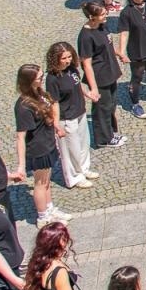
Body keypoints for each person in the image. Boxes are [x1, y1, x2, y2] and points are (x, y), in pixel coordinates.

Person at [14, 63, 68, 224]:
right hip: (38, 148)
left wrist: (56, 127)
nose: (42, 79)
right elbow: (20, 137)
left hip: (48, 142)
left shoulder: (39, 94)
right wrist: (21, 165)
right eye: (39, 78)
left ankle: (49, 208)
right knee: (40, 183)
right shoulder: (23, 106)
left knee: (46, 181)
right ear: (29, 80)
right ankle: (43, 216)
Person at [45, 43, 92, 192]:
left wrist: (87, 94)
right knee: (70, 150)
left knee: (84, 144)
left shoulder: (72, 69)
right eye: (64, 58)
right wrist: (56, 123)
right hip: (66, 117)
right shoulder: (52, 79)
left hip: (79, 111)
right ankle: (74, 176)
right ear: (55, 59)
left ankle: (84, 168)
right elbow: (54, 102)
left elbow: (77, 85)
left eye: (69, 56)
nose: (67, 60)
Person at [77, 2, 124, 151]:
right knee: (102, 108)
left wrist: (119, 53)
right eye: (103, 14)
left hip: (110, 72)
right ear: (92, 17)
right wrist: (94, 88)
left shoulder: (102, 26)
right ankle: (104, 139)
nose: (106, 16)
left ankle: (110, 132)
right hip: (100, 76)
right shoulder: (86, 36)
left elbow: (108, 45)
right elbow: (87, 64)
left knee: (111, 104)